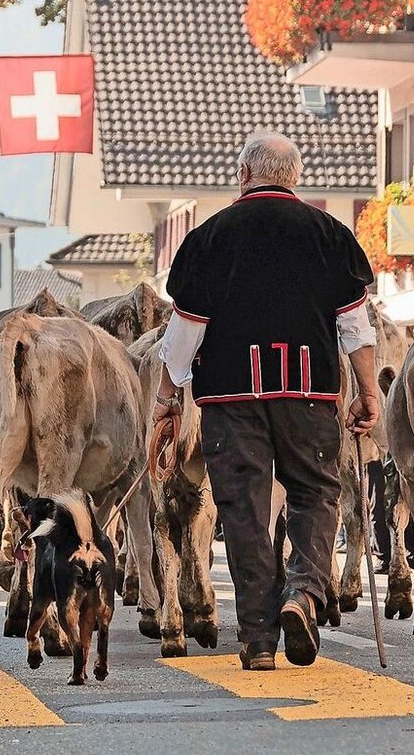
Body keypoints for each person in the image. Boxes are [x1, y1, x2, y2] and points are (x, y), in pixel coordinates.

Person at [154, 132, 377, 672]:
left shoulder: (208, 238)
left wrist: (167, 396)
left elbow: (186, 329)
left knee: (245, 509)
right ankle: (302, 594)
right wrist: (368, 389)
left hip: (231, 399)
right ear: (294, 177)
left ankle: (257, 641)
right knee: (315, 495)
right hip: (310, 394)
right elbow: (355, 326)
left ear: (243, 174)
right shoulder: (331, 235)